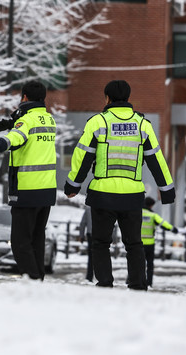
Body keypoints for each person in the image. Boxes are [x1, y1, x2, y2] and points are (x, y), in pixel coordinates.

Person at [64, 80, 175, 290]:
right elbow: (156, 159)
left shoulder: (97, 122)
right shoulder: (143, 125)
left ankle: (105, 283)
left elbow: (82, 157)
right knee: (134, 244)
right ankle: (137, 284)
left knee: (100, 243)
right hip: (132, 196)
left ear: (107, 98)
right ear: (128, 98)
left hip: (102, 194)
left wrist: (73, 186)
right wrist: (166, 190)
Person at [0, 80, 57, 280]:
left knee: (20, 242)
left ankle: (33, 280)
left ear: (24, 98)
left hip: (27, 190)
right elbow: (25, 125)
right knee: (37, 239)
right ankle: (38, 281)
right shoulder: (49, 119)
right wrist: (8, 124)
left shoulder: (26, 121)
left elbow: (15, 138)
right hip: (46, 190)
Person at [141, 196, 178, 287]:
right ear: (150, 206)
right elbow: (163, 224)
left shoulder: (137, 213)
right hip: (149, 244)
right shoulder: (153, 215)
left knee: (135, 263)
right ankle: (149, 283)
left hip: (138, 244)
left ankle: (130, 280)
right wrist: (173, 229)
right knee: (149, 265)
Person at [78, 205, 94, 282]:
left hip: (90, 234)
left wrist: (81, 236)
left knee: (91, 257)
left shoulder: (88, 208)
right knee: (102, 254)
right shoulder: (104, 206)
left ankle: (89, 276)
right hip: (101, 234)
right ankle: (103, 276)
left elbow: (83, 223)